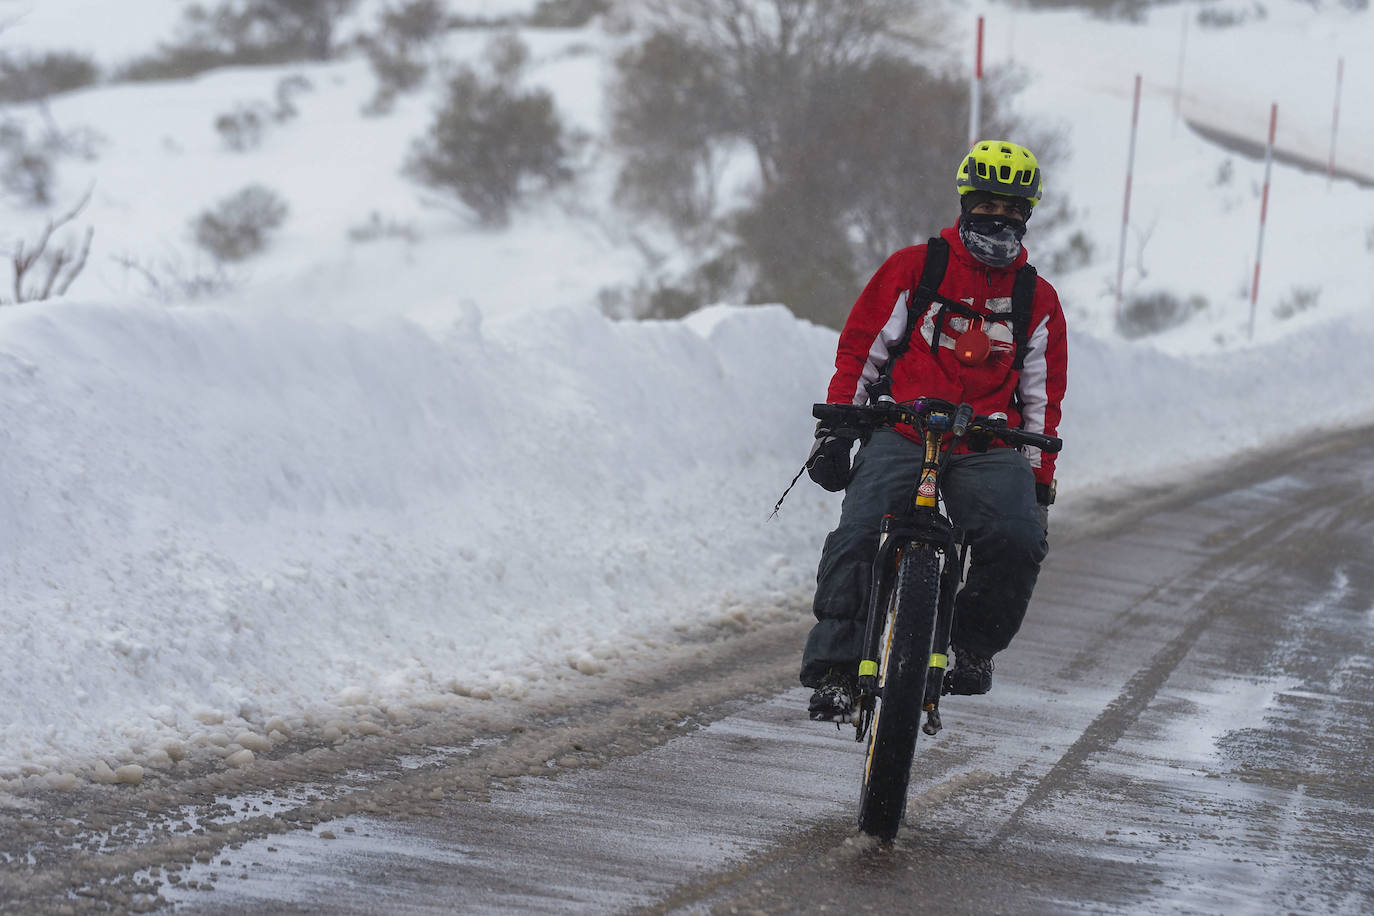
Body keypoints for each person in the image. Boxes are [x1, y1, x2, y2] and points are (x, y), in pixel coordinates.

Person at [800, 140, 1068, 722]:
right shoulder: (914, 268)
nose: (998, 218)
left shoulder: (1037, 300)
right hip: (902, 428)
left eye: (1012, 207)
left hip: (987, 445)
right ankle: (840, 670)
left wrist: (1039, 488)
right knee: (858, 532)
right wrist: (840, 429)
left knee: (1018, 540)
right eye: (987, 203)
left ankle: (970, 648)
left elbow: (1043, 400)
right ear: (965, 201)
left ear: (1028, 215)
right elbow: (860, 353)